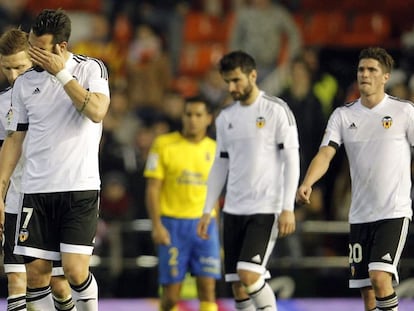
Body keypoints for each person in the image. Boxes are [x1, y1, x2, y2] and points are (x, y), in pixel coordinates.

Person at [0, 9, 110, 311]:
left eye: (41, 48)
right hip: (35, 191)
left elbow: (97, 111)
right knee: (36, 276)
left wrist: (61, 73)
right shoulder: (24, 85)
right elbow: (15, 138)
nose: (34, 52)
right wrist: (1, 189)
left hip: (79, 187)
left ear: (61, 47)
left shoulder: (91, 69)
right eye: (32, 45)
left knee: (74, 272)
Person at [296, 47, 413, 311]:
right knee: (367, 292)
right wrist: (308, 182)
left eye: (372, 70)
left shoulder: (404, 112)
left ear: (385, 76)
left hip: (392, 211)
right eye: (361, 69)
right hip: (360, 214)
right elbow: (325, 154)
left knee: (380, 277)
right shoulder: (343, 115)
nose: (365, 74)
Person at [197, 50, 300, 311]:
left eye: (236, 80)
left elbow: (292, 161)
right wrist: (207, 208)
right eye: (227, 82)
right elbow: (220, 164)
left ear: (253, 75)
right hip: (233, 209)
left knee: (249, 275)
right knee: (237, 287)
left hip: (265, 208)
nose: (231, 87)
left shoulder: (277, 110)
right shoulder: (225, 117)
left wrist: (288, 207)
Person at [0, 28, 76, 311]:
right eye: (7, 68)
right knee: (17, 281)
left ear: (33, 59)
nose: (13, 75)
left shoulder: (54, 94)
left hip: (48, 198)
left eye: (19, 66)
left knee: (57, 282)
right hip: (15, 202)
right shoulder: (2, 103)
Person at [144, 96, 221, 311]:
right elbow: (152, 188)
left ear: (208, 119)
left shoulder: (216, 149)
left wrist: (218, 231)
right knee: (171, 296)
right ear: (182, 116)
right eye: (188, 114)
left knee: (208, 290)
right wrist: (157, 225)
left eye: (198, 115)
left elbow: (215, 194)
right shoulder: (163, 144)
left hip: (205, 226)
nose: (193, 120)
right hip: (173, 226)